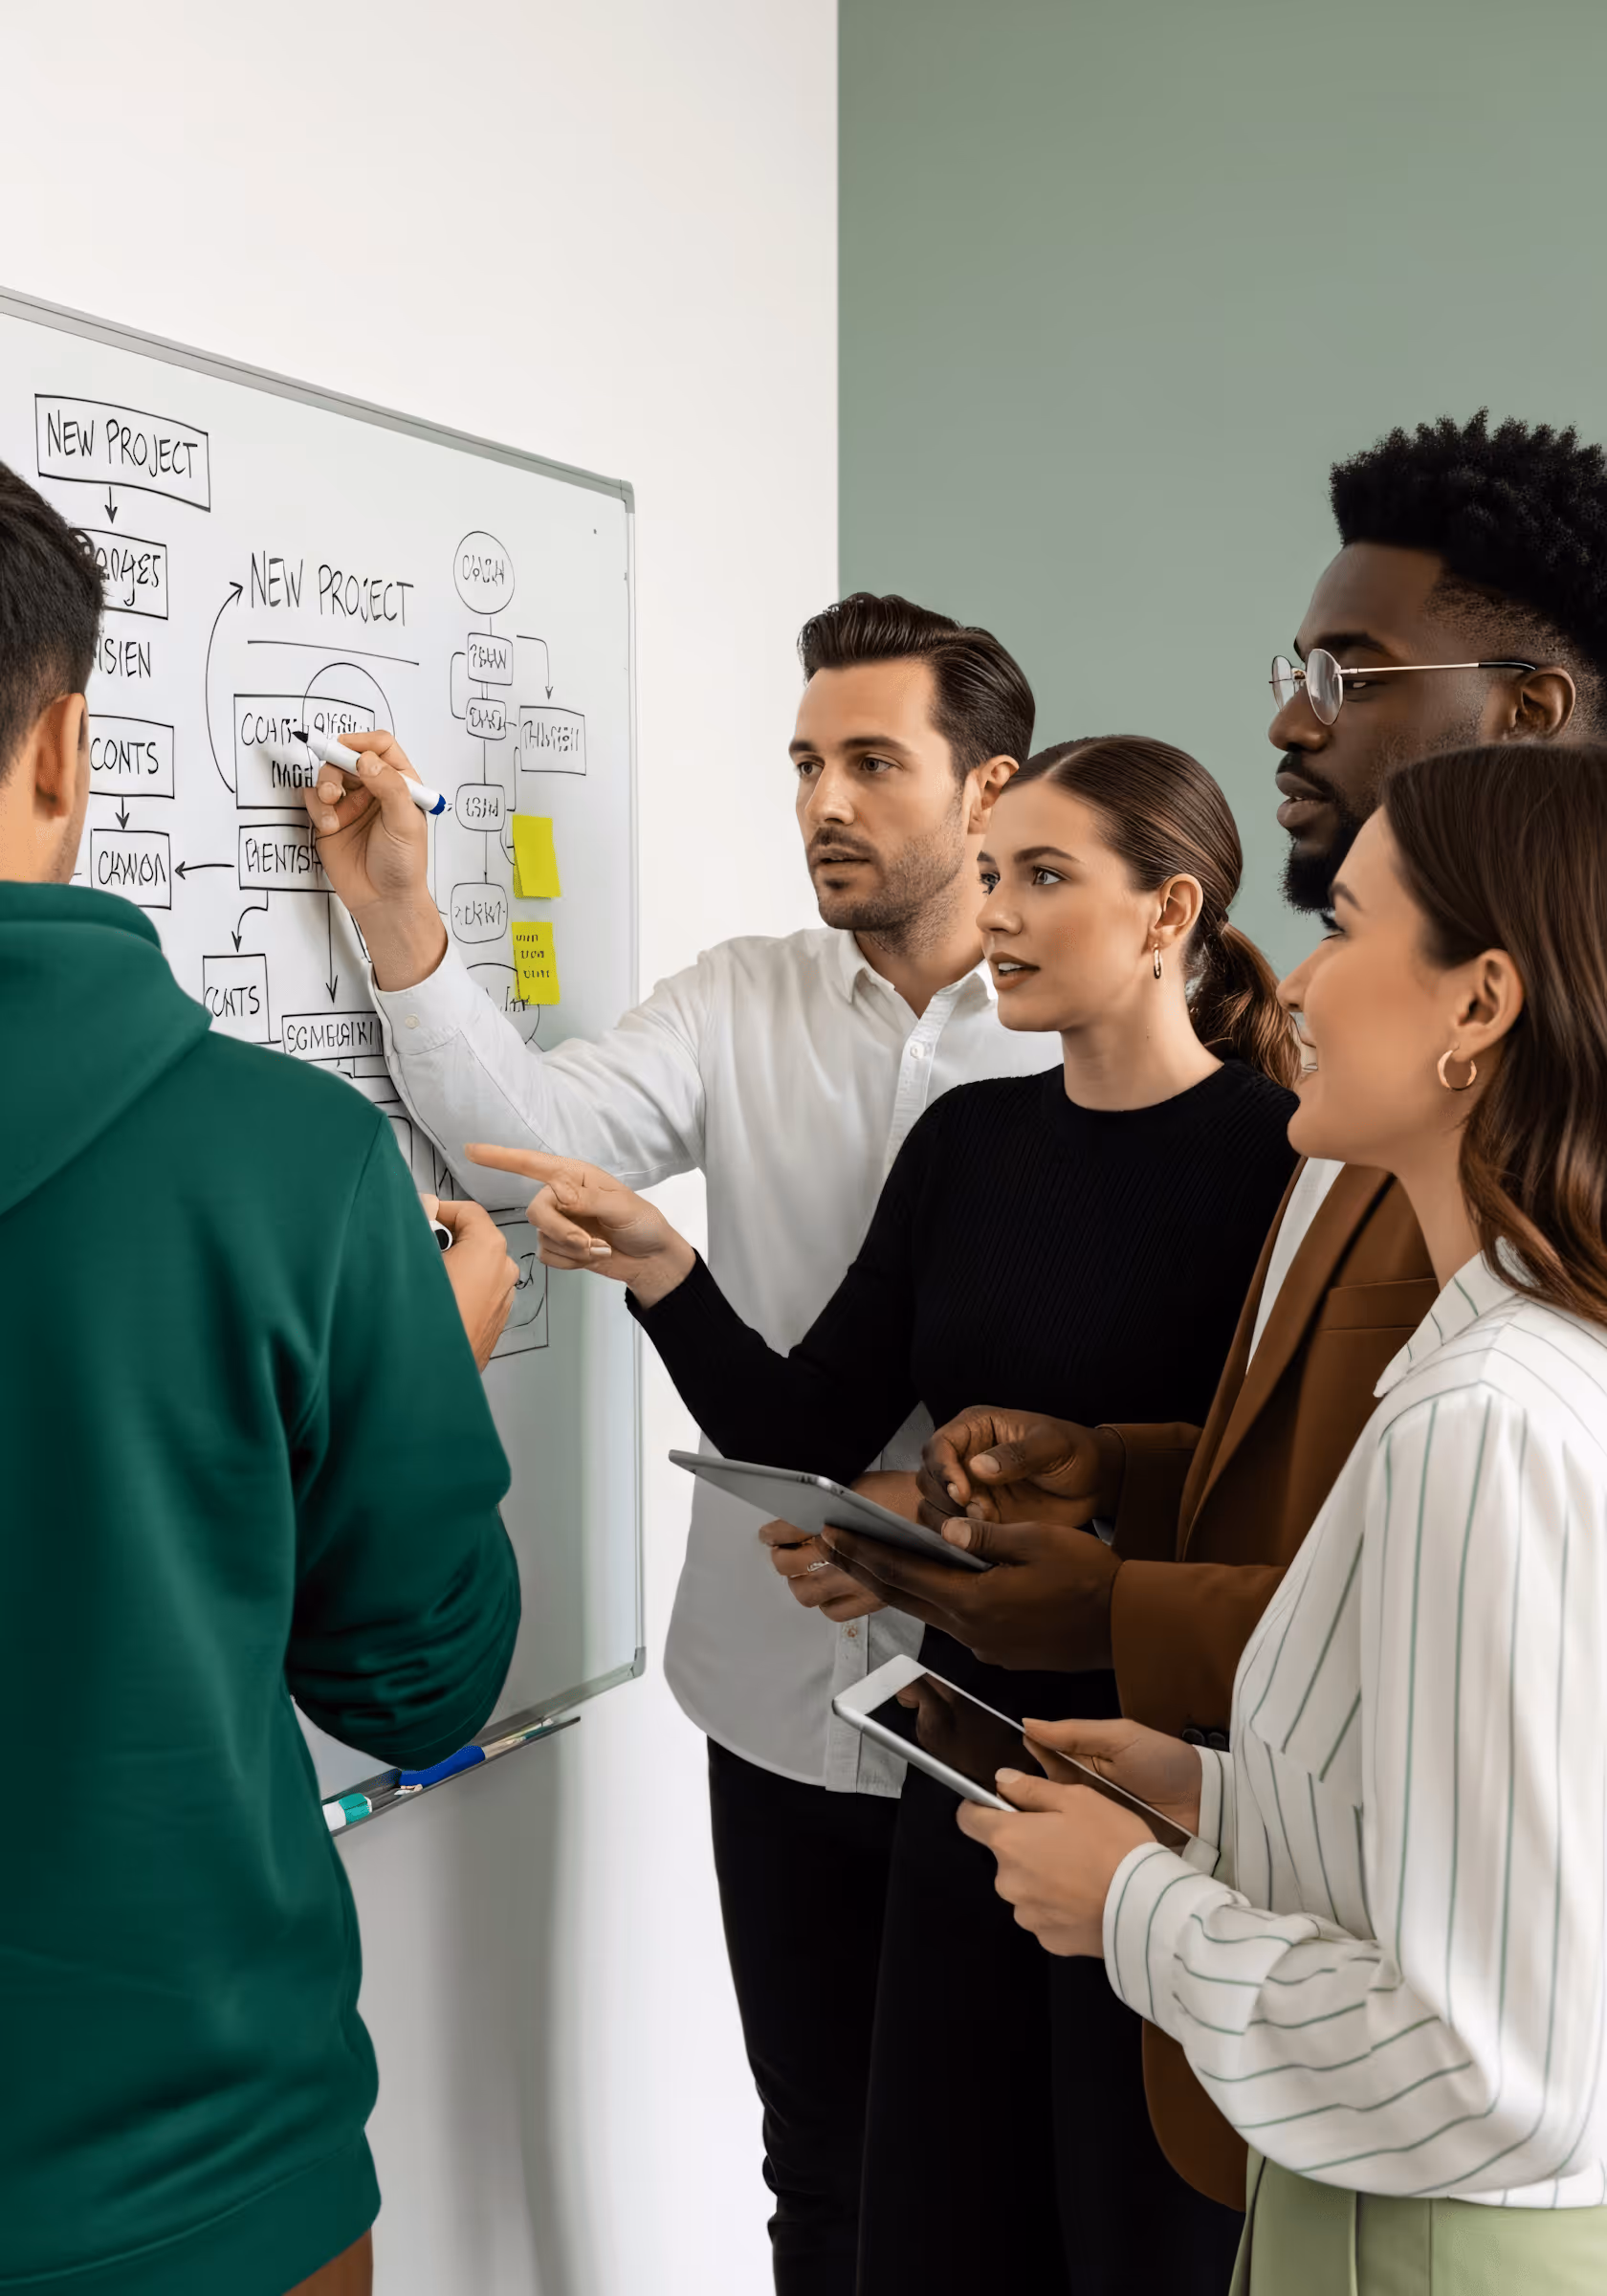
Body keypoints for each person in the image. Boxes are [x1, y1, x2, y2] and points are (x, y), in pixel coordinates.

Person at [828, 411, 1607, 2208]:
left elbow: (1473, 1631)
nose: (1288, 713)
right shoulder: (1358, 1107)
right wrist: (1115, 1473)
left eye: (1345, 670)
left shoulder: (1511, 1273)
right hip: (1278, 1924)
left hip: (1368, 2072)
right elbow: (1320, 1490)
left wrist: (1117, 1625)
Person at [471, 735, 1301, 2293]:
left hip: (1180, 1791)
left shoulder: (1281, 1163)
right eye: (994, 873)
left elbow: (1286, 1496)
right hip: (959, 1756)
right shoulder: (966, 1146)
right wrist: (665, 1267)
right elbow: (805, 1422)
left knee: (1140, 2236)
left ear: (1168, 911)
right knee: (935, 2222)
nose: (996, 912)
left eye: (1044, 876)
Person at [302, 595, 1057, 2295]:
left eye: (873, 762)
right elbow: (536, 1155)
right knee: (821, 2174)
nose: (823, 803)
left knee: (1005, 2181)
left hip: (1018, 1705)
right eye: (805, 764)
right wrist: (403, 918)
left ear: (990, 789)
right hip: (773, 1696)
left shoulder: (1079, 1016)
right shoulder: (742, 998)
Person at [963, 741, 1607, 2292]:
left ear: (1480, 1004)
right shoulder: (1508, 1356)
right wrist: (1216, 1796)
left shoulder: (1485, 1415)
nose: (1299, 983)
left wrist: (1132, 1906)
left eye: (1354, 926)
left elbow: (1492, 2066)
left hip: (1431, 2239)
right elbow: (1501, 1863)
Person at [0, 460, 522, 2296]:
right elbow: (420, 1678)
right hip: (202, 2183)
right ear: (65, 748)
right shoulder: (286, 1163)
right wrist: (434, 1372)